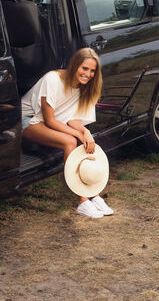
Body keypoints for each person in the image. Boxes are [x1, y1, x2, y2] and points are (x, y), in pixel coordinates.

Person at [21, 47, 114, 218]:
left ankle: (95, 195)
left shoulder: (84, 88)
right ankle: (83, 201)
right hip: (27, 119)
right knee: (70, 141)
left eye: (93, 71)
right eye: (85, 68)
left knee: (83, 141)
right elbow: (49, 119)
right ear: (75, 65)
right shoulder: (53, 79)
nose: (88, 74)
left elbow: (73, 120)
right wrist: (78, 134)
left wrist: (85, 133)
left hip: (47, 121)